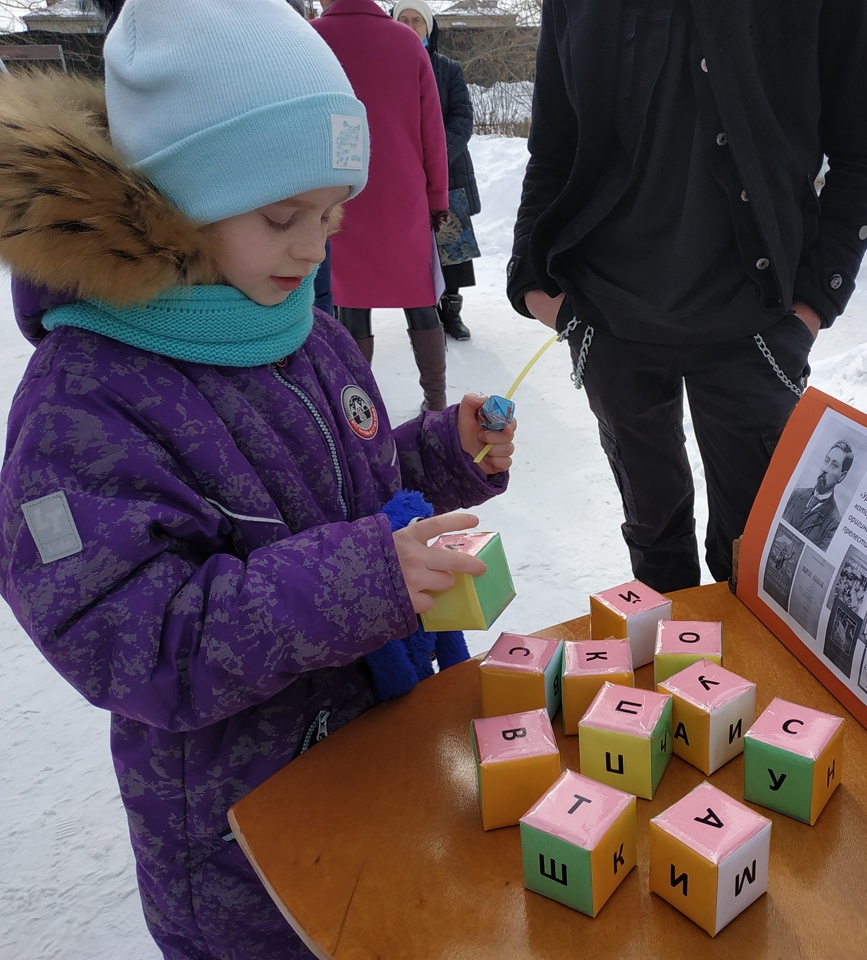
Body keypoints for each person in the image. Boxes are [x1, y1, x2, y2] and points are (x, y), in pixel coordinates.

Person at [0, 1, 516, 957]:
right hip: (243, 847)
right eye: (284, 215)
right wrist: (367, 579)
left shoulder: (298, 328)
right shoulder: (83, 406)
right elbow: (125, 634)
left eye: (332, 214)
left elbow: (347, 486)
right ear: (178, 198)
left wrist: (442, 454)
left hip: (374, 767)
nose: (316, 245)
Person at [508, 0, 867, 593]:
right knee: (654, 547)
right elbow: (554, 147)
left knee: (754, 561)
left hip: (755, 331)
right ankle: (675, 682)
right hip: (608, 327)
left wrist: (814, 303)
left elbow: (861, 152)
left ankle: (740, 685)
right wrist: (534, 283)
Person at [313, 0, 452, 411]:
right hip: (403, 197)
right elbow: (433, 132)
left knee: (351, 304)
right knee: (422, 300)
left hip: (340, 194)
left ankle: (359, 411)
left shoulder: (312, 39)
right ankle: (436, 401)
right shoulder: (408, 44)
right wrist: (438, 199)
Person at [392, 0, 482, 343]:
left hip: (448, 173)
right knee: (412, 249)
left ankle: (452, 314)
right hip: (404, 175)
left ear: (429, 28)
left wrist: (434, 156)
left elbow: (462, 118)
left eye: (417, 20)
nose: (411, 26)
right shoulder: (387, 67)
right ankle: (423, 312)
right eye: (404, 19)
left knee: (452, 249)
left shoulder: (447, 69)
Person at [782, 440, 853, 551]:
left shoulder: (834, 523)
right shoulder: (796, 493)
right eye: (826, 460)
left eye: (834, 465)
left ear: (842, 476)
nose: (825, 468)